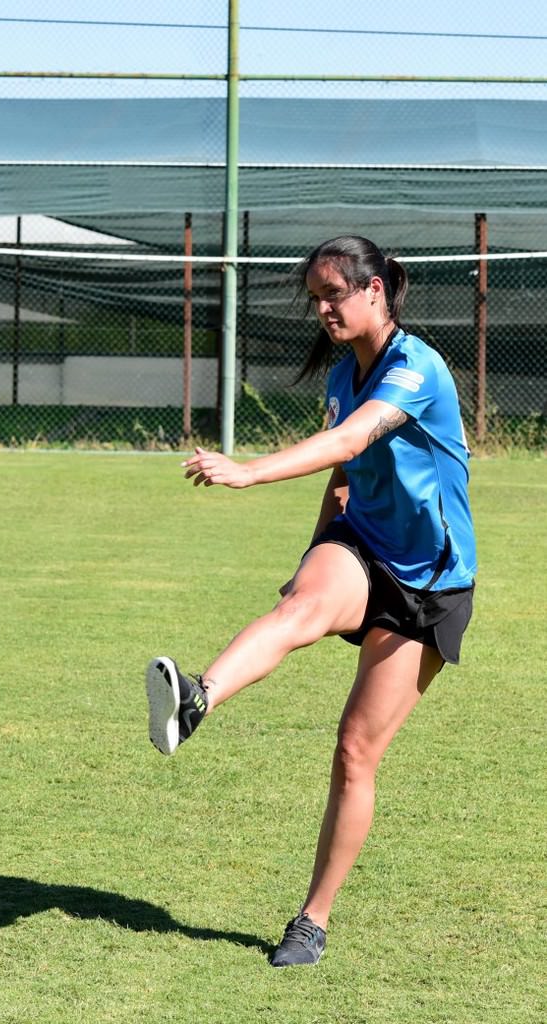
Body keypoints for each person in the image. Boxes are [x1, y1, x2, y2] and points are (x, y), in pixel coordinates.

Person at [145, 235, 476, 968]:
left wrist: (248, 471)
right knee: (296, 611)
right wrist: (314, 554)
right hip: (361, 544)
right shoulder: (340, 374)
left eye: (333, 294)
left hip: (429, 582)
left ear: (374, 291)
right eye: (315, 298)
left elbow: (350, 442)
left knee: (355, 752)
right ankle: (196, 699)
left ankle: (312, 920)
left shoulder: (415, 368)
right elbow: (343, 476)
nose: (323, 309)